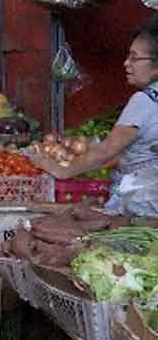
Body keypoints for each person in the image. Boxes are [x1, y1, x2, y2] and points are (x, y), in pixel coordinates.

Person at [31, 17, 158, 216]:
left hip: (138, 204)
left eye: (134, 58)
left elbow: (105, 151)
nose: (126, 63)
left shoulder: (143, 101)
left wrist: (62, 171)